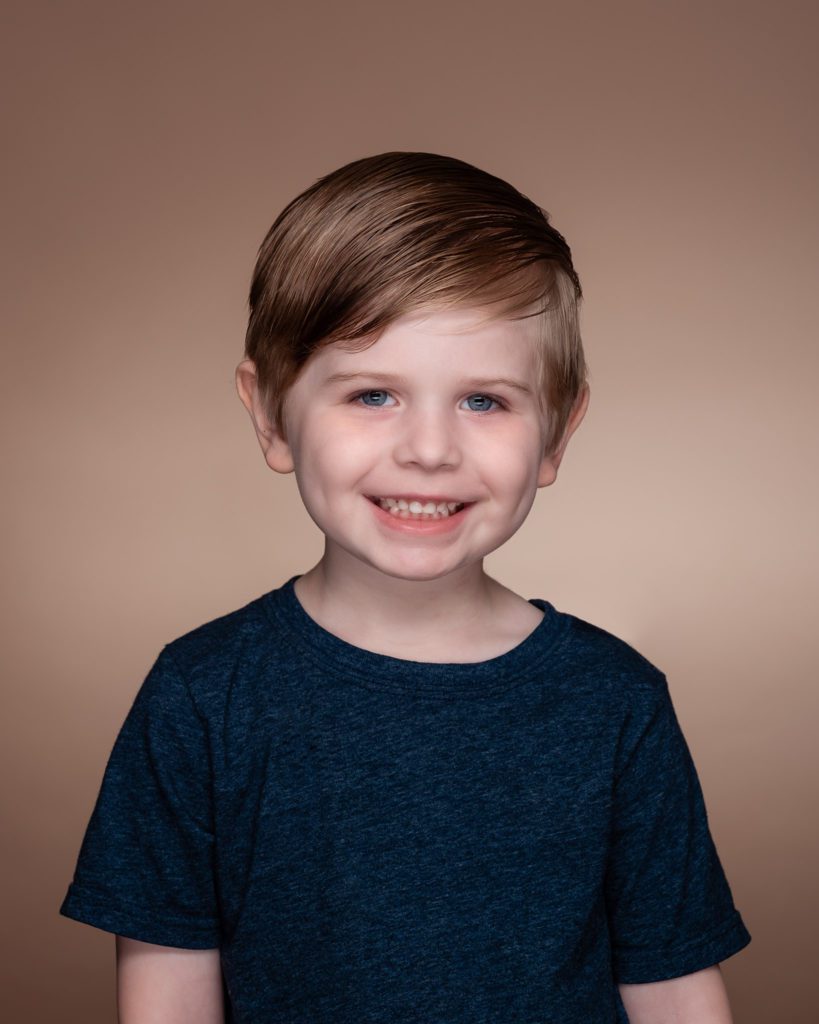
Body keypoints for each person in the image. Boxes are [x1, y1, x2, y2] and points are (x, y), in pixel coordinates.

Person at [59, 151, 752, 1023]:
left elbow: (672, 983)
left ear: (555, 435)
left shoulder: (615, 702)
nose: (429, 450)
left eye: (484, 402)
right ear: (270, 413)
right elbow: (166, 984)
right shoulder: (202, 697)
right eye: (374, 394)